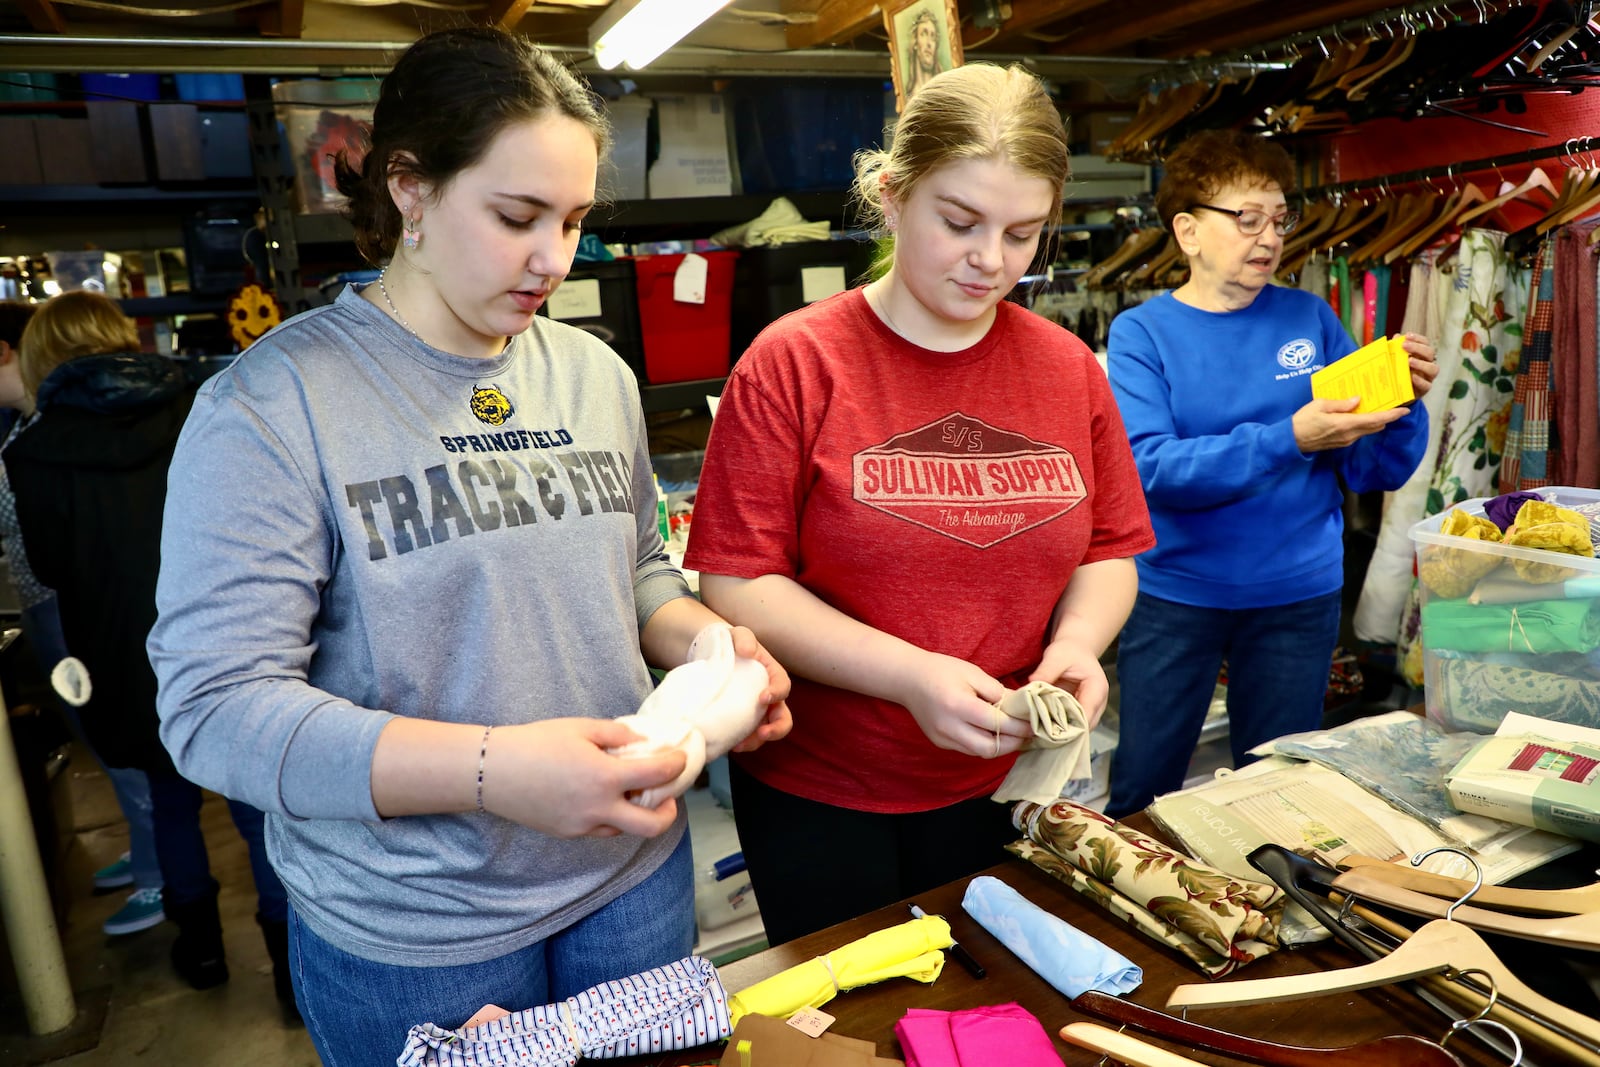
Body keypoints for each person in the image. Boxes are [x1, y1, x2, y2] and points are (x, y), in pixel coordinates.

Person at [146, 27, 790, 1067]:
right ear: (408, 185)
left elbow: (631, 571)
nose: (555, 258)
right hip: (416, 928)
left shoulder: (592, 375)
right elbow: (215, 708)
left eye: (575, 220)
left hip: (630, 877)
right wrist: (493, 771)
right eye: (516, 216)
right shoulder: (273, 405)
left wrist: (709, 646)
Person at [683, 62, 1155, 946]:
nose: (992, 260)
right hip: (825, 795)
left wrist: (1076, 648)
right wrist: (909, 676)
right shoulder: (794, 364)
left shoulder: (1066, 370)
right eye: (960, 221)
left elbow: (1107, 549)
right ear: (892, 197)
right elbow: (738, 587)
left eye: (1024, 234)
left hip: (1010, 781)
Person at [1103, 129, 1439, 819]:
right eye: (1247, 218)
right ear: (1189, 231)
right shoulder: (1143, 334)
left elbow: (1371, 466)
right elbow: (1151, 469)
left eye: (1279, 219)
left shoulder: (1309, 315)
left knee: (1280, 791)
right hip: (1176, 596)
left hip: (1297, 596)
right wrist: (1291, 437)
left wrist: (1402, 402)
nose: (1269, 236)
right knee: (1145, 787)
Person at [4, 291, 292, 1000]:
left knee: (169, 802)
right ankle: (289, 969)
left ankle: (201, 952)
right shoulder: (198, 402)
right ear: (118, 335)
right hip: (225, 632)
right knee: (256, 806)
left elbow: (45, 567)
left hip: (124, 650)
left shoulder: (31, 448)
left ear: (43, 356)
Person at [0, 299, 165, 938]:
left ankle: (158, 872)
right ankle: (152, 857)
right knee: (122, 744)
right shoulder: (35, 432)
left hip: (70, 605)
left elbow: (55, 548)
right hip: (66, 604)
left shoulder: (49, 437)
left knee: (126, 744)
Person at [902, 7, 946, 101]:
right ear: (915, 43)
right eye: (924, 34)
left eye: (933, 36)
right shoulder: (909, 97)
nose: (929, 43)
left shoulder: (943, 91)